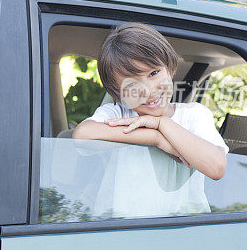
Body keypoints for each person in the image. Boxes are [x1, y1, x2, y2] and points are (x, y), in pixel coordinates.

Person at [73, 22, 228, 181]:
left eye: (153, 73)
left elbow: (216, 167)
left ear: (170, 68)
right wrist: (156, 138)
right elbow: (82, 135)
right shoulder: (118, 113)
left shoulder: (194, 115)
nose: (148, 90)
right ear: (118, 94)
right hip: (119, 207)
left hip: (181, 207)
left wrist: (162, 124)